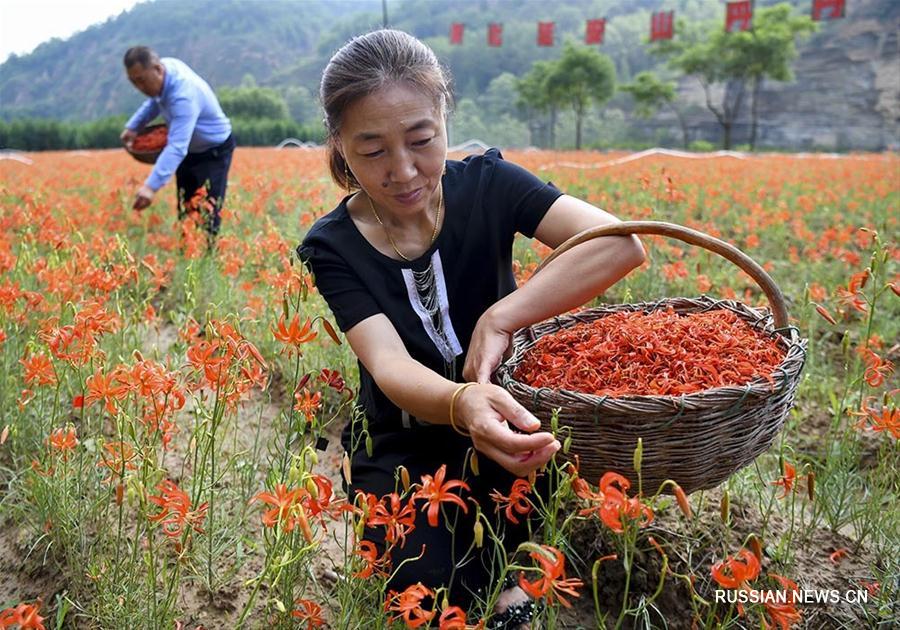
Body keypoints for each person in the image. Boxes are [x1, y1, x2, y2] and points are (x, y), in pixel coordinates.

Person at [298, 29, 645, 627]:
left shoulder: (490, 184)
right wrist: (463, 403)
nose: (403, 171)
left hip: (513, 424)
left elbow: (619, 245)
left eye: (421, 140)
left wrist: (502, 315)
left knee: (510, 567)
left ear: (444, 119)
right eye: (372, 150)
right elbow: (389, 366)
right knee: (429, 595)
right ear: (339, 144)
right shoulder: (333, 246)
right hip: (402, 446)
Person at [120, 46, 234, 237]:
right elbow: (155, 101)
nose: (139, 87)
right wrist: (133, 126)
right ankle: (187, 256)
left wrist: (150, 187)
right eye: (133, 82)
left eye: (141, 80)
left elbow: (176, 146)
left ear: (157, 69)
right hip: (190, 150)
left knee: (208, 210)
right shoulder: (167, 68)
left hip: (213, 151)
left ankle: (207, 256)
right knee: (187, 207)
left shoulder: (183, 95)